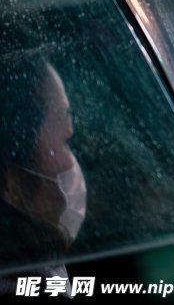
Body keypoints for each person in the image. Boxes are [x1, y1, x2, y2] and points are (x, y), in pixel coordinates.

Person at [0, 51, 86, 297]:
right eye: (66, 142)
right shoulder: (31, 285)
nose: (73, 163)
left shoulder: (38, 262)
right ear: (10, 178)